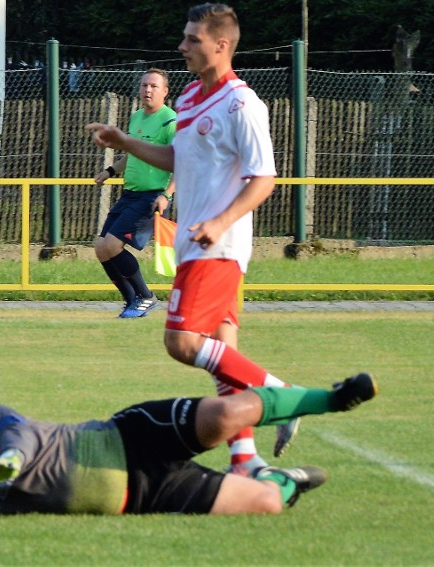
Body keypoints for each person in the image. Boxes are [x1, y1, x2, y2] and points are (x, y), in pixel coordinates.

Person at [86, 3, 299, 475]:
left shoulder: (243, 104)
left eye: (192, 40)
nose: (182, 46)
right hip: (193, 241)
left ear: (221, 45)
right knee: (224, 352)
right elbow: (177, 158)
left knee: (180, 342)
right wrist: (125, 142)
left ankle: (281, 396)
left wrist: (220, 223)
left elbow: (264, 179)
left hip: (217, 245)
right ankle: (245, 461)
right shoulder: (188, 98)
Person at [0, 372, 378, 517]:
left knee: (230, 413)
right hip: (144, 494)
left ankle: (329, 399)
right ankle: (285, 479)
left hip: (126, 436)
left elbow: (15, 430)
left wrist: (10, 462)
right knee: (266, 504)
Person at [93, 68, 176, 318]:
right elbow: (132, 153)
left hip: (151, 197)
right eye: (144, 86)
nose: (147, 90)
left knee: (112, 245)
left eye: (153, 86)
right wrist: (110, 170)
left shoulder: (170, 122)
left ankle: (146, 296)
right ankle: (132, 301)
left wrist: (167, 194)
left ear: (165, 91)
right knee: (100, 247)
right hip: (130, 194)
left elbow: (184, 161)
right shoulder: (137, 117)